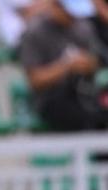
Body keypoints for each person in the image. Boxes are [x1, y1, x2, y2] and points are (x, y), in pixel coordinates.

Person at [19, 0, 108, 131]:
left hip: (85, 94)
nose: (73, 17)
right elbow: (35, 80)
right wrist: (66, 67)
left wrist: (90, 65)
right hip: (51, 100)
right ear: (56, 7)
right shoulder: (35, 32)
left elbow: (96, 62)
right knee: (85, 119)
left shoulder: (83, 27)